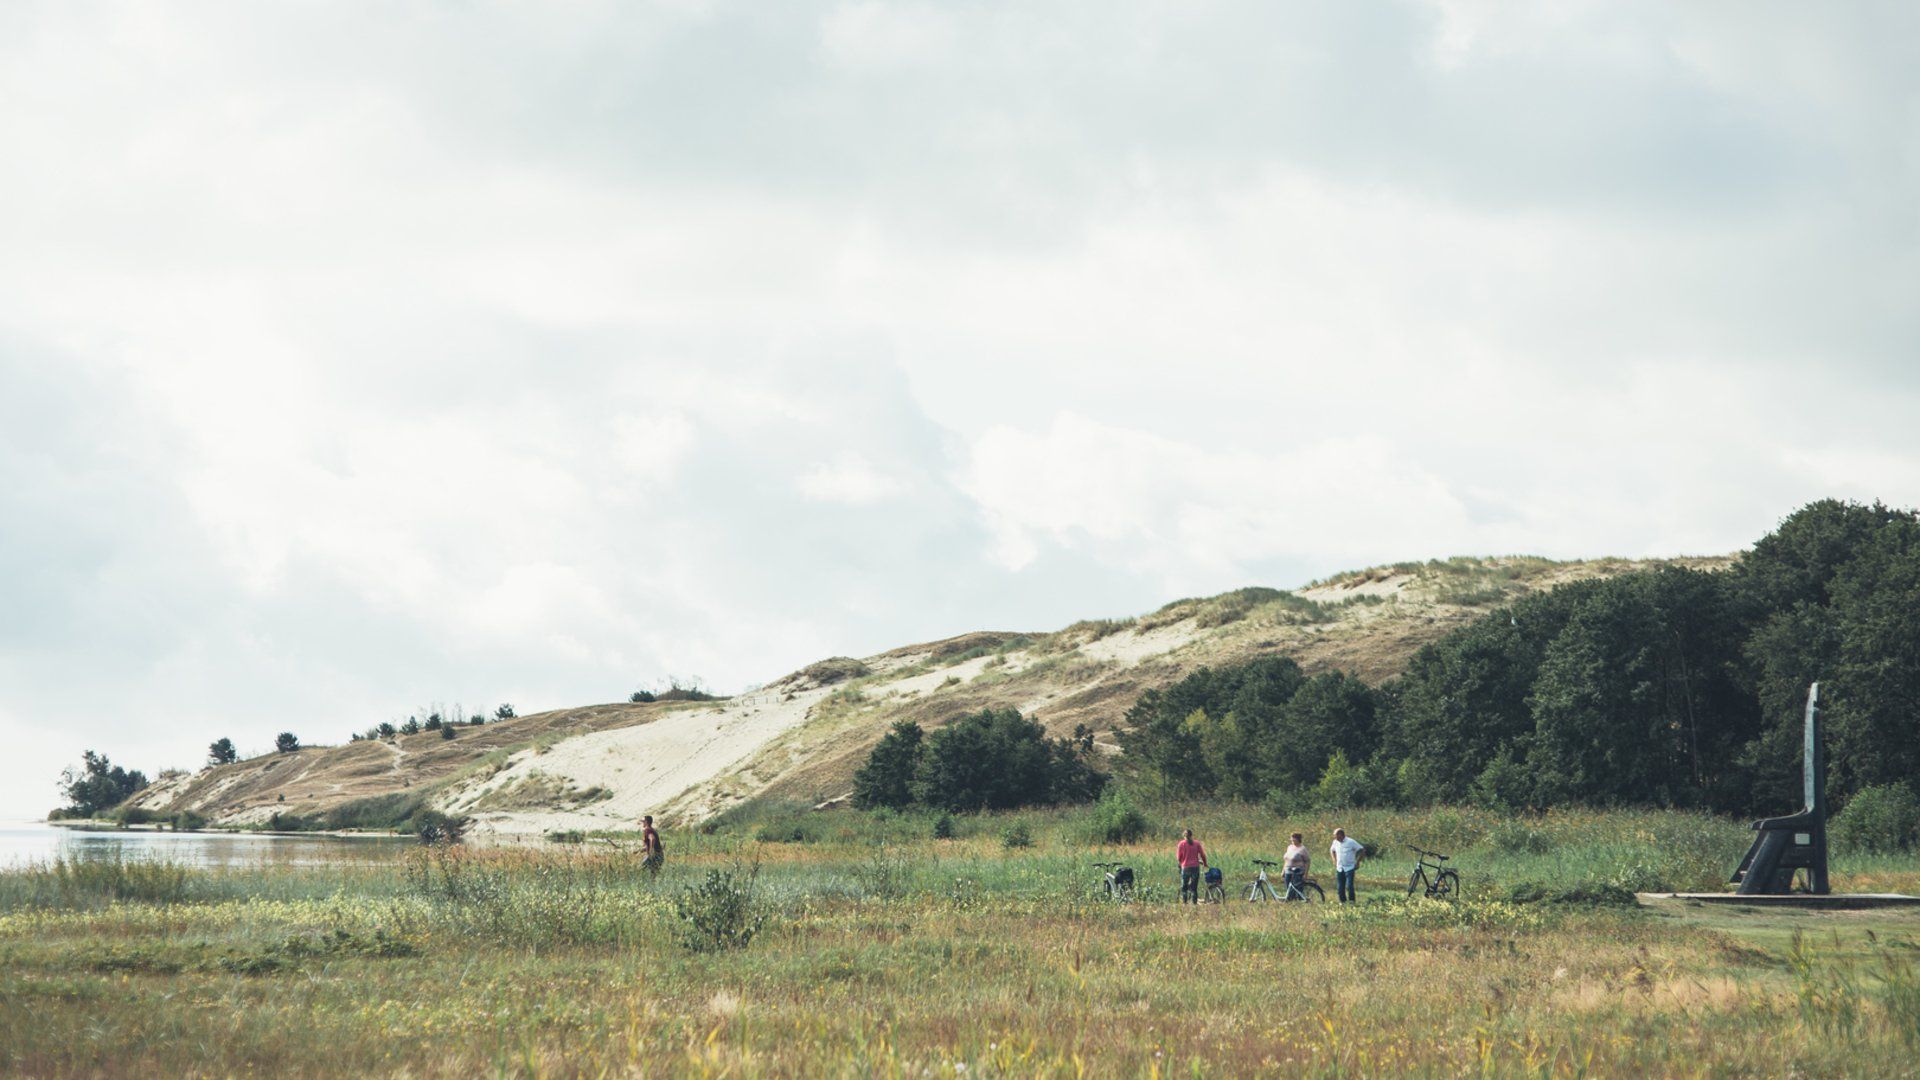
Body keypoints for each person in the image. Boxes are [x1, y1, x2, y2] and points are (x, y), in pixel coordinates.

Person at [1330, 828, 1364, 903]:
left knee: (1349, 886)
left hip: (1349, 867)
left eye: (1335, 835)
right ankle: (1343, 902)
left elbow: (1361, 849)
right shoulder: (1335, 842)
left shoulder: (1350, 842)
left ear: (1340, 835)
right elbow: (1332, 851)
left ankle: (1352, 901)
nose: (1334, 837)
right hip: (1340, 867)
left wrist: (1358, 862)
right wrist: (1334, 860)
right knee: (1340, 888)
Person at [1176, 828, 1208, 905]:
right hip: (1195, 867)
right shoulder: (1197, 843)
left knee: (1184, 887)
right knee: (1194, 888)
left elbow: (1179, 857)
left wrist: (1180, 863)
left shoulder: (1181, 844)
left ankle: (1185, 903)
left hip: (1186, 867)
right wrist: (1205, 863)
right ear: (1191, 835)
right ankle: (1194, 904)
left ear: (1184, 836)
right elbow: (1202, 855)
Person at [1282, 831, 1311, 900]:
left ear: (1298, 839)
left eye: (1294, 839)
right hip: (1288, 870)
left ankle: (1300, 900)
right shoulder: (1289, 847)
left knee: (1296, 887)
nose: (1292, 840)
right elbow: (1286, 860)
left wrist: (1306, 873)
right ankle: (1290, 900)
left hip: (1298, 871)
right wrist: (1283, 870)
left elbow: (1307, 861)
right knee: (1288, 888)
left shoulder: (1302, 849)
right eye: (1291, 839)